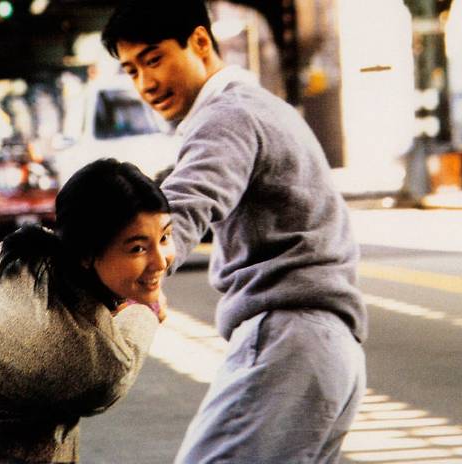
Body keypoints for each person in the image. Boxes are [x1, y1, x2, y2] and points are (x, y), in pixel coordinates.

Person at [102, 1, 368, 462]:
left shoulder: (226, 117)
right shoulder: (261, 107)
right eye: (131, 70)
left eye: (154, 59)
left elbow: (181, 208)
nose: (145, 83)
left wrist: (125, 280)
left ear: (200, 42)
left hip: (287, 344)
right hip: (329, 352)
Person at [0, 158, 175, 462]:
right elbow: (120, 367)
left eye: (165, 237)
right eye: (137, 248)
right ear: (87, 254)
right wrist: (147, 307)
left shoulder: (19, 254)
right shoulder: (91, 360)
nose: (161, 261)